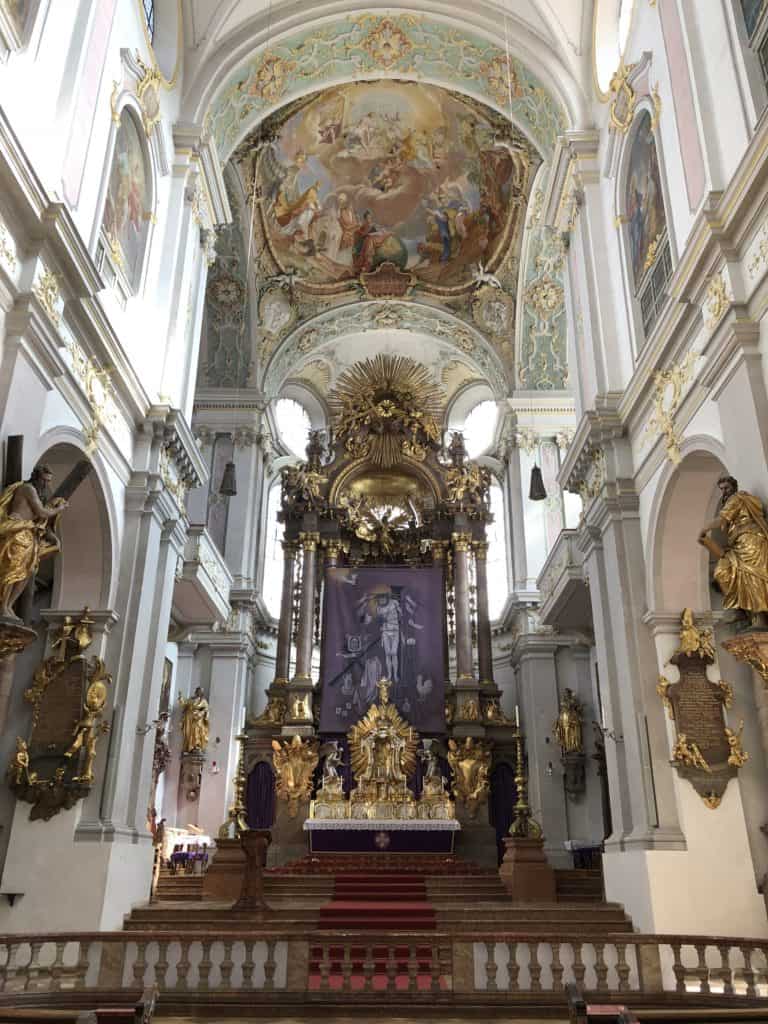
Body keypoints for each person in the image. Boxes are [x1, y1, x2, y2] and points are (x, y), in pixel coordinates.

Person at [0, 464, 68, 621]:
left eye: (49, 481)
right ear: (36, 477)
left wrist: (52, 506)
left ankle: (9, 605)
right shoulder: (28, 489)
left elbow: (40, 516)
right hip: (17, 531)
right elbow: (42, 513)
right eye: (44, 480)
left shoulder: (36, 492)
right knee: (13, 569)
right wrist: (60, 508)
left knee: (27, 571)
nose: (46, 484)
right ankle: (3, 606)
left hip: (28, 534)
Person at [699, 475, 768, 619]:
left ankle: (757, 613)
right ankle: (742, 608)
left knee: (751, 574)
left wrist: (705, 528)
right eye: (722, 489)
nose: (724, 491)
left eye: (726, 488)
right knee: (722, 571)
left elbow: (722, 519)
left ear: (734, 487)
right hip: (737, 543)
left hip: (749, 539)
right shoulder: (735, 500)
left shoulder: (736, 499)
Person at [178, 687, 210, 753]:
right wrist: (180, 697)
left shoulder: (203, 701)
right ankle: (190, 746)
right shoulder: (191, 699)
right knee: (189, 733)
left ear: (202, 693)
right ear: (196, 692)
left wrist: (200, 713)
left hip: (198, 718)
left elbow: (206, 710)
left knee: (196, 730)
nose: (199, 692)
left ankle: (196, 746)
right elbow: (184, 704)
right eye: (198, 691)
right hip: (189, 719)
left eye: (200, 691)